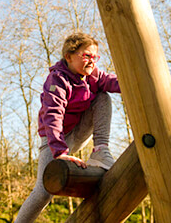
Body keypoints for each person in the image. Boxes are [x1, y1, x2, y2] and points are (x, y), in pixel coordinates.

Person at [15, 32, 121, 223]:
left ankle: (100, 150)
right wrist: (60, 151)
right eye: (86, 56)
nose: (92, 61)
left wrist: (158, 83)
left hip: (78, 132)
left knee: (103, 96)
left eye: (95, 57)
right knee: (44, 191)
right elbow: (53, 115)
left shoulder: (94, 76)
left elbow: (115, 82)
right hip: (54, 139)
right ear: (69, 56)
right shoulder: (58, 80)